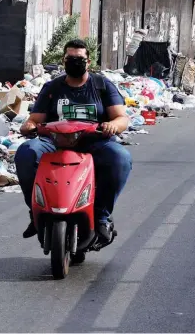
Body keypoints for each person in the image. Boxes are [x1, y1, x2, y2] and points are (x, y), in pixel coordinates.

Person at [15, 39, 132, 242]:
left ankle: (102, 216)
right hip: (54, 141)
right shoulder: (52, 87)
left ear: (88, 62)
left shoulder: (102, 86)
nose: (75, 62)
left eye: (79, 59)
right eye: (71, 59)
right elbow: (35, 120)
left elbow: (122, 117)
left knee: (120, 158)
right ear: (63, 60)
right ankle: (36, 212)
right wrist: (29, 126)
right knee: (26, 152)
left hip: (93, 141)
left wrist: (113, 126)